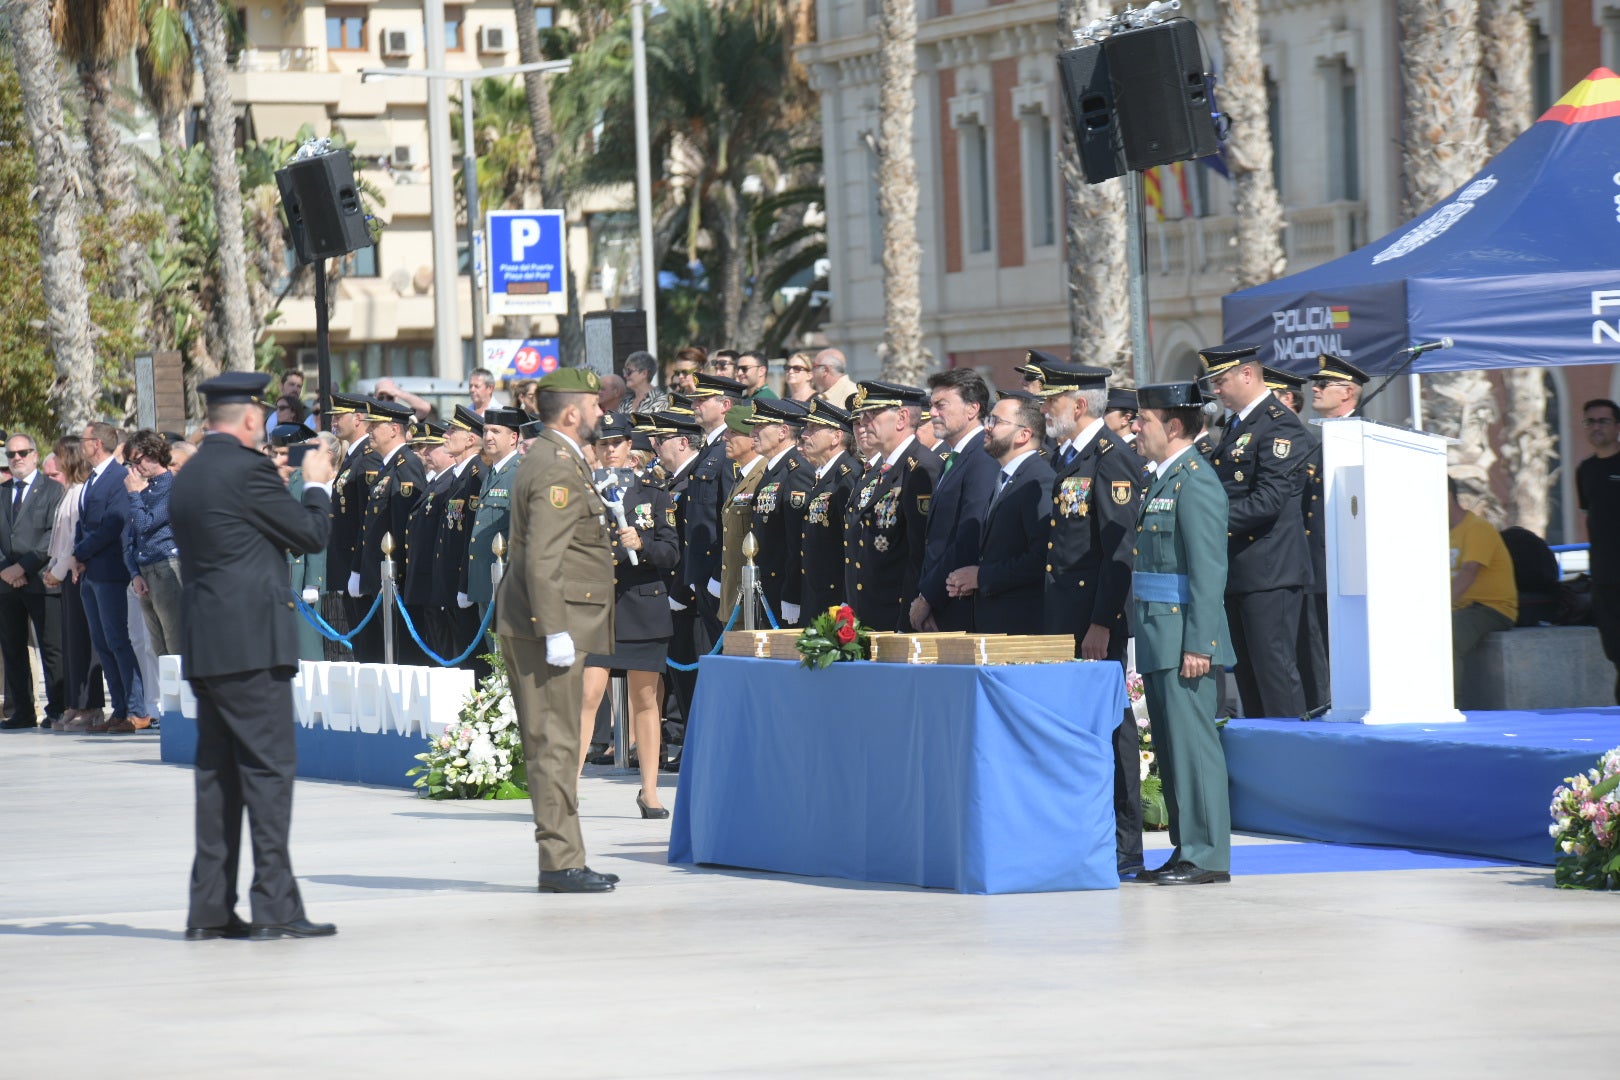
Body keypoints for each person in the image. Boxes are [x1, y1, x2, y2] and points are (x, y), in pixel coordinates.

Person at [169, 370, 338, 939]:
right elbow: (310, 535)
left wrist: (271, 483)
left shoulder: (191, 474)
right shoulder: (249, 471)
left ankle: (209, 910)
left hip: (209, 646)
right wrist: (315, 483)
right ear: (248, 420)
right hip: (252, 647)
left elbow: (234, 538)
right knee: (267, 776)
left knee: (218, 778)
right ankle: (276, 906)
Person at [493, 367, 619, 894]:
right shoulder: (555, 466)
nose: (601, 414)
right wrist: (554, 630)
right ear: (572, 412)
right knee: (555, 745)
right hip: (546, 624)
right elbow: (542, 559)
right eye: (593, 405)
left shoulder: (557, 457)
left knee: (560, 743)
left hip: (552, 621)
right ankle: (560, 862)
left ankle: (566, 857)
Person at [1038, 363, 1144, 875]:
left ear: (1079, 405)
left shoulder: (1111, 458)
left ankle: (1127, 842)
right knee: (1080, 725)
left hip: (1094, 623)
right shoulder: (1070, 458)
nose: (1043, 408)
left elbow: (1118, 551)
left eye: (1051, 400)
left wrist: (1102, 622)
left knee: (1113, 726)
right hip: (1065, 618)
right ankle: (1088, 829)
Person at [1129, 382, 1235, 886]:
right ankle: (1184, 848)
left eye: (1143, 420)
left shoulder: (1196, 482)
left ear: (1172, 427)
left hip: (1183, 638)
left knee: (1194, 748)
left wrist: (1201, 642)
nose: (1135, 427)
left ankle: (1208, 855)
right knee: (1171, 750)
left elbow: (1209, 572)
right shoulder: (1165, 478)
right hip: (1158, 632)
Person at [1200, 344, 1312, 720]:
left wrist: (1206, 523)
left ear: (1247, 375)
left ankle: (1293, 761)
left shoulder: (1279, 424)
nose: (1216, 390)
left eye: (1221, 380)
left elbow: (1269, 500)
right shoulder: (1238, 425)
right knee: (1247, 674)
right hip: (1239, 568)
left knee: (1275, 672)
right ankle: (1266, 755)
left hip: (1269, 570)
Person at [578, 410, 679, 813]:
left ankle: (649, 790)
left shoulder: (652, 493)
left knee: (645, 699)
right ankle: (567, 788)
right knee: (587, 694)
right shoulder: (584, 492)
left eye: (616, 442)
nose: (610, 449)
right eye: (603, 444)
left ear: (628, 445)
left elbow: (671, 552)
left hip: (642, 605)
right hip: (598, 608)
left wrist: (642, 544)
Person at [945, 391, 1054, 634]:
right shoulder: (1007, 477)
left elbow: (1041, 558)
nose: (987, 428)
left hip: (1022, 627)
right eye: (988, 420)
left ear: (1024, 434)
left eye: (997, 422)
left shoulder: (1037, 480)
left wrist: (982, 577)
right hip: (996, 623)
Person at [849, 380, 943, 631]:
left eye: (873, 414)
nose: (864, 422)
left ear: (901, 418)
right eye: (863, 415)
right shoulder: (886, 468)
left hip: (900, 613)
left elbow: (923, 549)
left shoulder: (921, 467)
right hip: (875, 610)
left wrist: (912, 612)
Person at [74, 421, 146, 732]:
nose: (81, 444)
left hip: (110, 570)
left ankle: (136, 709)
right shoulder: (93, 478)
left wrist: (80, 552)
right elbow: (85, 522)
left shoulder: (117, 477)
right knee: (102, 642)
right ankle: (118, 708)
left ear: (97, 444)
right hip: (91, 571)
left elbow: (113, 524)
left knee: (118, 640)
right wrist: (79, 554)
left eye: (84, 439)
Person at [912, 368, 996, 633]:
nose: (933, 413)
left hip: (959, 602)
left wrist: (929, 596)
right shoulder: (957, 457)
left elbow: (968, 536)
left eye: (941, 406)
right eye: (931, 406)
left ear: (972, 409)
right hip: (945, 602)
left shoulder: (982, 456)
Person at [351, 399, 427, 664]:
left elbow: (406, 526)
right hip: (381, 574)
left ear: (394, 429)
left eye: (376, 426)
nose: (370, 431)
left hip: (394, 577)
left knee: (401, 652)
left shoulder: (406, 464)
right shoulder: (389, 465)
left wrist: (398, 574)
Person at [0, 433, 66, 729]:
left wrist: (22, 567)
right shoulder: (1, 492)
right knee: (13, 649)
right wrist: (5, 569)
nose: (17, 459)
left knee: (51, 647)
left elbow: (53, 534)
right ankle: (23, 711)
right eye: (11, 454)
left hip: (41, 579)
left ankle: (57, 709)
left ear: (35, 455)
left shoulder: (52, 490)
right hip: (5, 583)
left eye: (23, 452)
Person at [42, 439, 105, 732]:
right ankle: (75, 702)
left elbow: (73, 541)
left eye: (58, 455)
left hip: (75, 572)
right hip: (66, 573)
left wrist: (56, 571)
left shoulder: (81, 492)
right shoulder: (70, 492)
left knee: (83, 641)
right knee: (72, 641)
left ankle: (89, 705)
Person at [682, 373, 744, 644]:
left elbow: (731, 517)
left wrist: (721, 573)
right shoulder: (711, 449)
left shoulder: (727, 452)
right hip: (701, 569)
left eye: (702, 400)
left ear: (725, 406)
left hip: (715, 572)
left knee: (725, 646)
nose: (695, 405)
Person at [742, 398, 813, 624]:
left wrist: (791, 594)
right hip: (768, 586)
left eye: (760, 426)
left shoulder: (797, 471)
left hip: (783, 587)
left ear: (783, 431)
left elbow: (797, 540)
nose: (753, 432)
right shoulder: (774, 470)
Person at [1449, 478, 1518, 707]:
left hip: (1492, 608)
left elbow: (1469, 572)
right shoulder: (1436, 533)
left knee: (1446, 635)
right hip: (1461, 609)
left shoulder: (1477, 528)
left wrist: (1438, 610)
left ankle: (1449, 706)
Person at [325, 393, 383, 663]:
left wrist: (358, 568)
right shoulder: (354, 457)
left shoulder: (368, 459)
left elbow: (367, 520)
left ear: (358, 419)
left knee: (369, 645)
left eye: (339, 416)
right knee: (360, 644)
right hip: (348, 563)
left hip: (358, 564)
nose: (334, 421)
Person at [122, 430, 184, 673]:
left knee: (175, 641)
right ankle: (169, 705)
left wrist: (134, 494)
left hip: (167, 566)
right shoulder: (144, 490)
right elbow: (130, 536)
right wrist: (134, 573)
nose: (136, 469)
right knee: (157, 647)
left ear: (154, 454)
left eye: (138, 461)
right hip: (145, 569)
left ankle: (184, 706)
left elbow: (147, 523)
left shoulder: (172, 487)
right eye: (131, 463)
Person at [792, 399, 860, 616]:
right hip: (816, 593)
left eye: (813, 428)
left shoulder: (847, 476)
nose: (804, 434)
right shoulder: (825, 474)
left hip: (834, 597)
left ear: (836, 437)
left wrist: (846, 600)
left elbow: (851, 544)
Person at [434, 407, 487, 677]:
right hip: (451, 586)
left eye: (453, 430)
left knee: (475, 666)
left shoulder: (477, 476)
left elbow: (474, 536)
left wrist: (465, 585)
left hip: (465, 586)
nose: (446, 434)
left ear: (469, 440)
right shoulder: (459, 475)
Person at [464, 406, 528, 628]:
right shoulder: (493, 472)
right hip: (485, 582)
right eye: (485, 431)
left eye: (495, 431)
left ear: (514, 438)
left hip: (506, 584)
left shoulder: (519, 472)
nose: (488, 437)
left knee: (505, 658)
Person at [1577, 397, 1620, 703]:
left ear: (1617, 427)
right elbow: (1588, 516)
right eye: (1590, 422)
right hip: (1604, 576)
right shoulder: (1586, 470)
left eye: (1603, 421)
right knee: (1614, 648)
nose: (1596, 427)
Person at [289, 433, 338, 662]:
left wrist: (313, 580)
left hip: (316, 571)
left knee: (312, 647)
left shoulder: (335, 481)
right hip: (298, 567)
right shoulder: (300, 477)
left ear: (328, 454)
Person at [714, 406, 765, 620]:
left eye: (733, 432)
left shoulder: (762, 476)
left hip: (752, 601)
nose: (725, 437)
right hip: (735, 597)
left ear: (753, 438)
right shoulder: (743, 476)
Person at [623, 351, 668, 415]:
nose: (625, 375)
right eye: (624, 371)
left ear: (644, 373)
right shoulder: (626, 401)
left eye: (628, 371)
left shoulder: (661, 401)